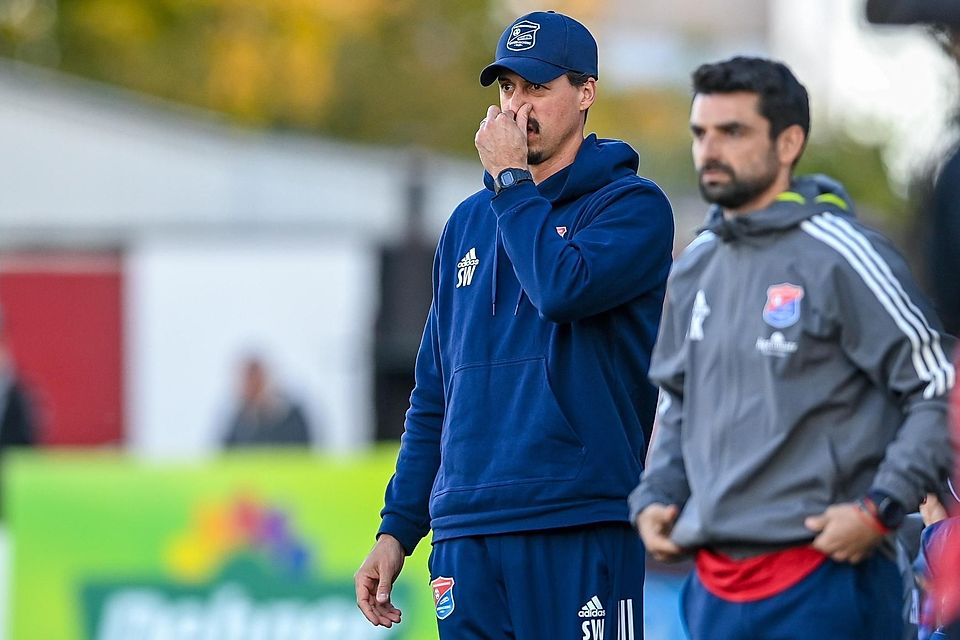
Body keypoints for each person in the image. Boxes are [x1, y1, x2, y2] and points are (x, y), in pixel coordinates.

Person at [354, 10, 674, 639]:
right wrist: (397, 530)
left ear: (585, 94)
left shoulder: (632, 207)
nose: (516, 108)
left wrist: (510, 183)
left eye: (536, 88)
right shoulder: (468, 224)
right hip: (468, 530)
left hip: (577, 516)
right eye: (507, 89)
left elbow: (562, 288)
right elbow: (434, 396)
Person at [629, 56, 954, 640]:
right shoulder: (695, 266)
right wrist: (657, 493)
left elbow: (936, 384)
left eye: (734, 132)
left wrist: (880, 507)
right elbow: (678, 402)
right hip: (715, 587)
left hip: (826, 579)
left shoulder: (842, 254)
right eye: (701, 132)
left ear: (789, 143)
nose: (711, 150)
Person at [222, 356, 312, 448]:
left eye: (257, 382)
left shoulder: (292, 417)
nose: (253, 388)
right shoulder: (238, 423)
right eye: (249, 383)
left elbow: (303, 449)